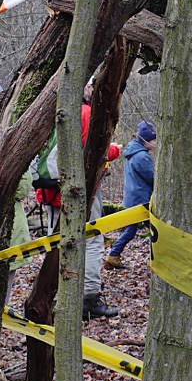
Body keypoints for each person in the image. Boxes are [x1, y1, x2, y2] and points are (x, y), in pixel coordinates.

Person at [31, 87, 121, 319]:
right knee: (91, 241)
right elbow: (96, 148)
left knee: (57, 242)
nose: (94, 88)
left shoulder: (52, 111)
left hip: (51, 190)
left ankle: (56, 293)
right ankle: (89, 297)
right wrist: (115, 150)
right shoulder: (84, 112)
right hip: (81, 190)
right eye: (91, 84)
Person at [105, 121, 156, 269]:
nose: (155, 143)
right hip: (141, 201)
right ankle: (158, 260)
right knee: (155, 231)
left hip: (132, 199)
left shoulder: (132, 152)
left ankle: (113, 255)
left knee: (130, 230)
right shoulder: (141, 157)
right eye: (153, 140)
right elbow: (153, 179)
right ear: (145, 140)